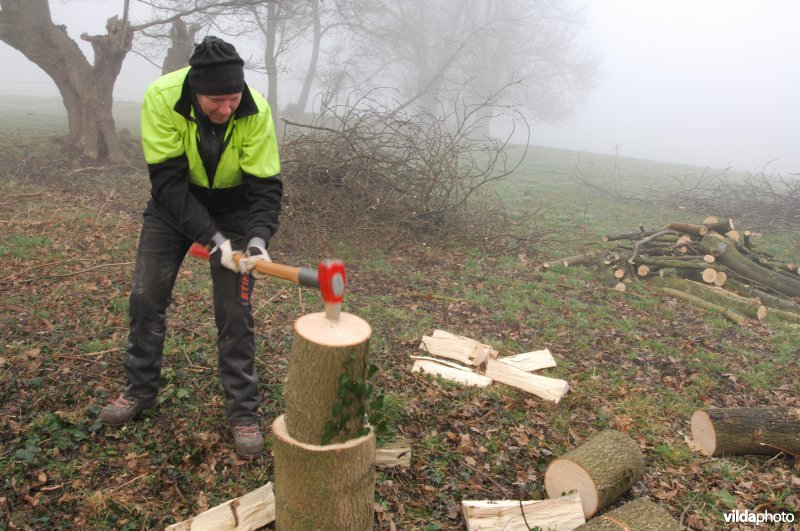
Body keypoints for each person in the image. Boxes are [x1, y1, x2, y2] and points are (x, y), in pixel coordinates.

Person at [99, 36, 283, 460]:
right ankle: (139, 391)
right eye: (216, 101)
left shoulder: (253, 108)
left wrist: (254, 241)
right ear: (195, 90)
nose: (226, 109)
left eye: (232, 99)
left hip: (234, 209)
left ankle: (243, 412)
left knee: (234, 313)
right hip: (172, 206)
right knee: (146, 297)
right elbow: (167, 183)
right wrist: (213, 241)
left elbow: (266, 188)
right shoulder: (162, 97)